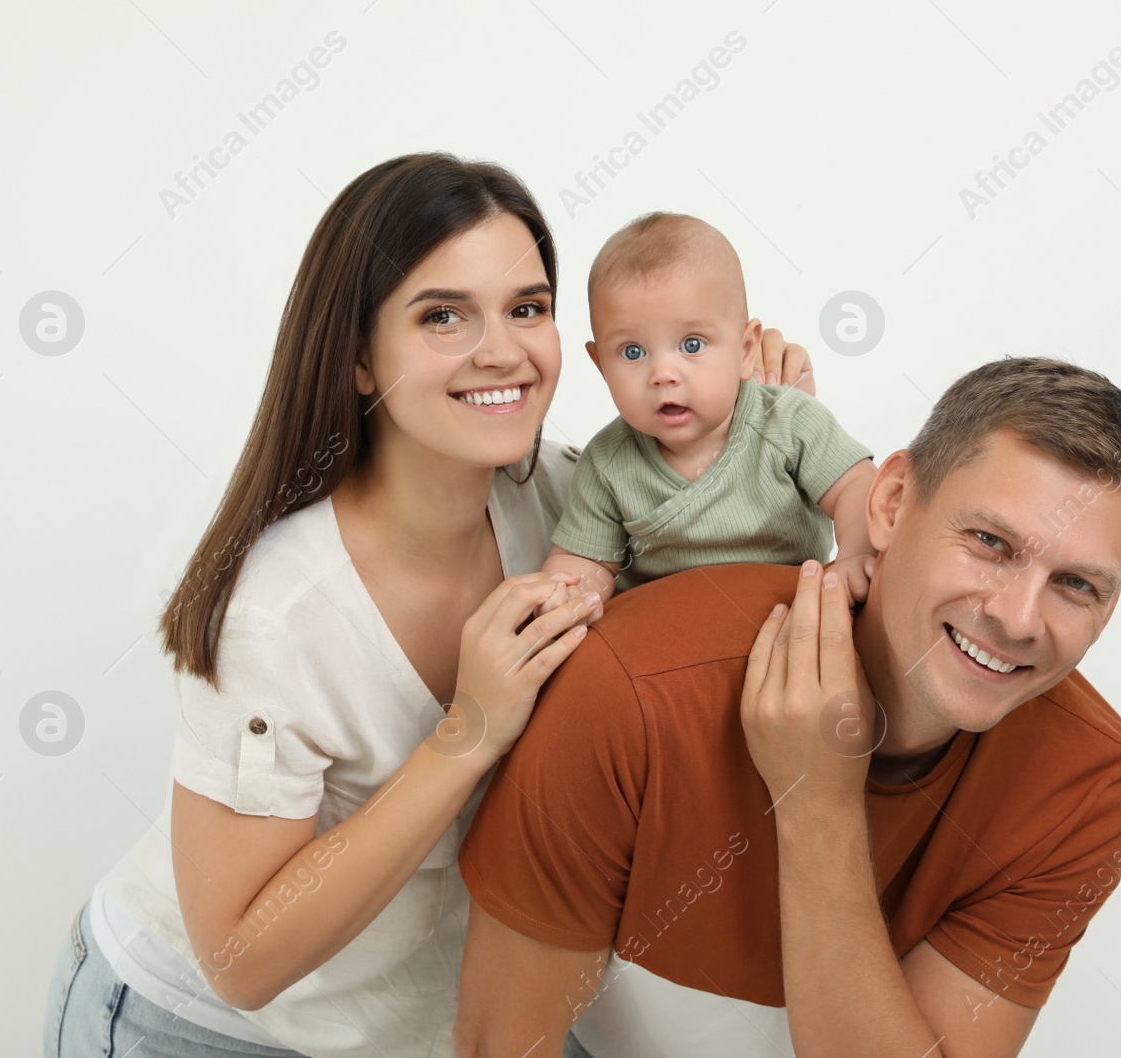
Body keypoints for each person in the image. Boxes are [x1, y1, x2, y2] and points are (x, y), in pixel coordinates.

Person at [40, 152, 815, 1058]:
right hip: (204, 1026)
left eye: (527, 308)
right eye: (444, 315)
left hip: (422, 1019)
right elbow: (240, 960)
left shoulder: (571, 504)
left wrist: (763, 453)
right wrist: (469, 730)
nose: (502, 349)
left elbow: (711, 644)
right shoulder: (279, 613)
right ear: (361, 359)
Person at [454, 356, 1121, 1058]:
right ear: (889, 503)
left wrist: (818, 806)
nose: (1017, 618)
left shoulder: (1089, 783)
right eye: (989, 542)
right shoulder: (632, 689)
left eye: (1076, 584)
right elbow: (500, 1045)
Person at [540, 212, 877, 613]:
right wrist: (574, 590)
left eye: (692, 345)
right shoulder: (606, 463)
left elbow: (856, 486)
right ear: (601, 366)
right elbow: (588, 560)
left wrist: (856, 552)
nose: (663, 375)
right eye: (633, 352)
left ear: (746, 350)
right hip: (667, 633)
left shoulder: (788, 420)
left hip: (786, 610)